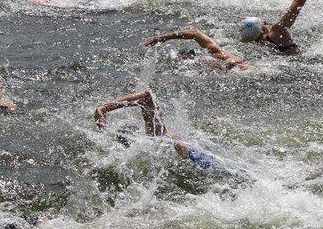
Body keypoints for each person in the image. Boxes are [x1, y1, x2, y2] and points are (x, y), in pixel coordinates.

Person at [94, 91, 230, 173]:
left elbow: (146, 96)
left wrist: (102, 109)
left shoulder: (156, 137)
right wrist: (102, 109)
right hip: (201, 163)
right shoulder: (151, 147)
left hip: (200, 162)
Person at [144, 28, 249, 71]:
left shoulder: (216, 53)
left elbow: (195, 33)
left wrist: (162, 38)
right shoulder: (214, 55)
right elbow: (195, 33)